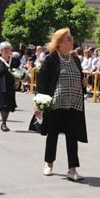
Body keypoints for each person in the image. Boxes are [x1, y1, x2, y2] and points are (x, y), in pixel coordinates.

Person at [36, 28, 88, 182]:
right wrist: (39, 103)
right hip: (55, 104)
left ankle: (72, 169)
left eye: (71, 38)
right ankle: (48, 163)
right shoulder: (51, 59)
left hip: (74, 103)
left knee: (72, 136)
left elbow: (79, 78)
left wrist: (83, 83)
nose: (71, 41)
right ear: (59, 43)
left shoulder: (75, 59)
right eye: (68, 38)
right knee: (53, 134)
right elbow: (42, 82)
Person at [0, 41, 19, 132]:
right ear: (1, 50)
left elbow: (17, 72)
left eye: (8, 48)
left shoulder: (13, 60)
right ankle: (4, 123)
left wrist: (17, 81)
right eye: (5, 49)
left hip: (10, 86)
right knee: (3, 105)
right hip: (0, 86)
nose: (7, 50)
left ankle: (4, 122)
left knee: (9, 105)